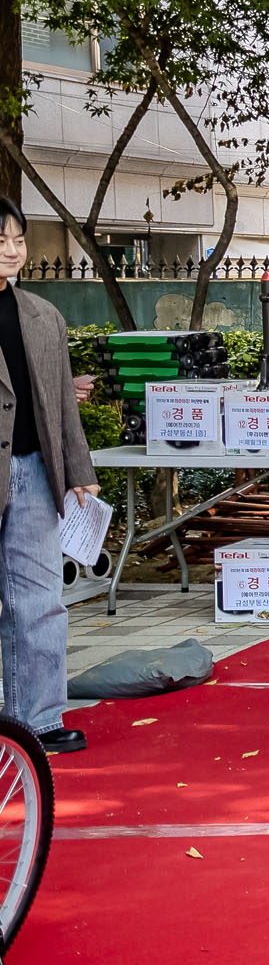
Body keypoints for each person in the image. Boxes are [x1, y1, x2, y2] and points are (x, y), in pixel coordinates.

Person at [0, 199, 101, 757]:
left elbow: (62, 402)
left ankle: (37, 720)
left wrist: (78, 472)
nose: (13, 250)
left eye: (18, 239)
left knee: (39, 598)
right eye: (1, 240)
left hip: (35, 472)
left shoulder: (43, 316)